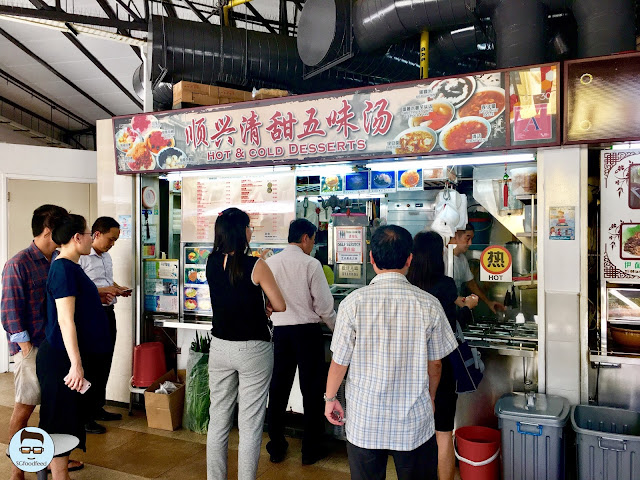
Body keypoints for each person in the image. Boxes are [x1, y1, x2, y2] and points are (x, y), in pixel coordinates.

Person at [325, 225, 458, 480]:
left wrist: (330, 398)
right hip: (413, 421)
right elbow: (436, 364)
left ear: (371, 258)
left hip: (365, 420)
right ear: (409, 258)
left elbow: (339, 362)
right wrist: (430, 398)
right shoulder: (429, 304)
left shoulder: (353, 303)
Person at [1, 204, 84, 479]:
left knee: (54, 408)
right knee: (24, 411)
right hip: (32, 349)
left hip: (54, 349)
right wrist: (26, 350)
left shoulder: (57, 261)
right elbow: (10, 311)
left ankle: (53, 461)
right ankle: (17, 470)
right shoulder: (18, 263)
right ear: (50, 231)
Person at [205, 207, 286, 480]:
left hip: (219, 346)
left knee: (218, 420)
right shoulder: (256, 265)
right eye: (249, 227)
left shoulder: (210, 261)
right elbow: (280, 304)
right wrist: (264, 305)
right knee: (250, 425)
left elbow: (229, 295)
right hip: (253, 349)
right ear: (242, 232)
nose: (252, 231)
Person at [37, 213, 112, 480]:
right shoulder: (63, 269)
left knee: (69, 416)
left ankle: (58, 471)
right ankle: (58, 475)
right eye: (90, 233)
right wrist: (76, 365)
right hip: (61, 360)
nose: (93, 238)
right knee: (60, 419)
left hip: (67, 358)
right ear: (77, 237)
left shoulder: (71, 266)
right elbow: (65, 321)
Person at [407, 231, 478, 480]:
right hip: (441, 367)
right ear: (439, 255)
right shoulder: (445, 284)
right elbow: (448, 326)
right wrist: (467, 308)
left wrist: (457, 301)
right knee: (443, 432)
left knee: (413, 434)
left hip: (410, 368)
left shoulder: (407, 284)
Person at [265, 218, 336, 465]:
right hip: (307, 334)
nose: (313, 245)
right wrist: (338, 330)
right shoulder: (311, 265)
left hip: (281, 334)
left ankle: (276, 446)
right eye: (313, 240)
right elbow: (325, 307)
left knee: (279, 389)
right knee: (312, 391)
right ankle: (310, 450)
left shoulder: (270, 263)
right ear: (305, 238)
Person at [79, 216, 131, 434]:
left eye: (116, 240)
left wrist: (117, 288)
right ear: (97, 234)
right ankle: (85, 416)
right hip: (90, 315)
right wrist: (104, 291)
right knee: (91, 364)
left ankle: (98, 407)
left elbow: (106, 282)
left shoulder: (106, 257)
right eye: (110, 239)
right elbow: (81, 288)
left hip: (108, 313)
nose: (112, 244)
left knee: (105, 360)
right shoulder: (81, 258)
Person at [448, 224, 505, 314]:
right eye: (467, 238)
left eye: (472, 239)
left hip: (455, 310)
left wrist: (488, 302)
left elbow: (471, 284)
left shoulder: (462, 259)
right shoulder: (443, 257)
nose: (470, 243)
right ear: (455, 236)